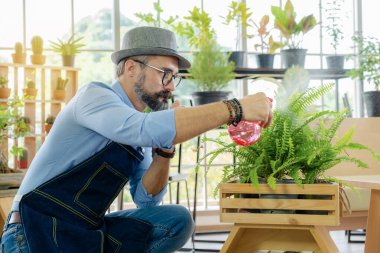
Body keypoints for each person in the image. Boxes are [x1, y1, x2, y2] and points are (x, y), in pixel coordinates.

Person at [0, 26, 272, 253]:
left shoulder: (141, 126)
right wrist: (234, 108)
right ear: (131, 67)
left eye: (174, 78)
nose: (169, 85)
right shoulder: (94, 97)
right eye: (165, 73)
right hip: (34, 230)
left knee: (175, 220)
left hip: (84, 232)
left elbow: (146, 200)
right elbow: (143, 129)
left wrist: (164, 152)